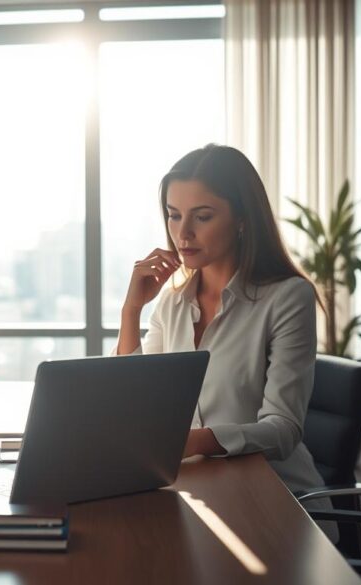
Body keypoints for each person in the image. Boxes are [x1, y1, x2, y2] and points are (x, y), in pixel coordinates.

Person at [114, 144, 325, 495]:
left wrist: (194, 442)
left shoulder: (287, 297)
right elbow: (133, 403)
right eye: (174, 214)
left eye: (203, 216)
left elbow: (283, 429)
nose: (183, 234)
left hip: (276, 496)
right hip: (194, 487)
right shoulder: (172, 301)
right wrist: (131, 311)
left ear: (242, 219)